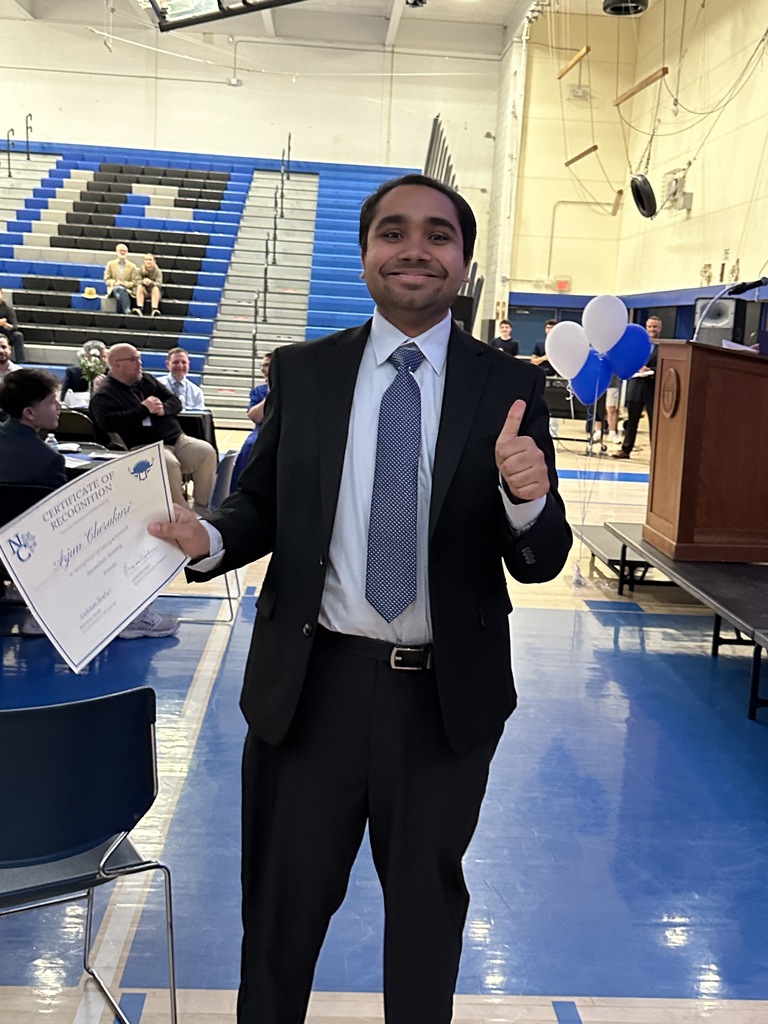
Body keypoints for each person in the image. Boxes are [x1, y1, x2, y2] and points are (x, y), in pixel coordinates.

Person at [148, 174, 572, 1024]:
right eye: (393, 232)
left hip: (444, 700)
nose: (415, 248)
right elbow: (259, 503)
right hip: (310, 690)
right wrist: (214, 538)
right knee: (280, 912)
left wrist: (526, 499)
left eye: (438, 235)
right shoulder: (305, 373)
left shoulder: (508, 387)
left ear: (465, 260)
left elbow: (541, 557)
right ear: (367, 251)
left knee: (425, 915)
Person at [0, 368, 180, 640]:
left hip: (8, 556)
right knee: (115, 528)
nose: (59, 405)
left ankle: (35, 607)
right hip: (35, 556)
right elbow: (61, 523)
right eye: (51, 401)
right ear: (29, 413)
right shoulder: (48, 461)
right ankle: (126, 615)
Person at [89, 343, 217, 509]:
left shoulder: (146, 380)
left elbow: (174, 401)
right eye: (133, 359)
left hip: (176, 439)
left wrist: (164, 409)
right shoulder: (105, 394)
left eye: (139, 358)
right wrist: (143, 409)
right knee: (168, 464)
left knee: (206, 452)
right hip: (144, 445)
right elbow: (107, 422)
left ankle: (202, 507)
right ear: (116, 364)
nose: (139, 363)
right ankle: (180, 512)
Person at [611, 314, 661, 460]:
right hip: (636, 386)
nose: (652, 329)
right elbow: (628, 361)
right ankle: (626, 450)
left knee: (654, 422)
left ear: (660, 328)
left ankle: (656, 454)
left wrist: (651, 371)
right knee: (631, 421)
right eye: (650, 326)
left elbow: (666, 365)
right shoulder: (638, 344)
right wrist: (637, 368)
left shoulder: (663, 346)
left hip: (652, 388)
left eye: (655, 327)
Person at [229, 351, 271, 492]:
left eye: (268, 365)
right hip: (261, 430)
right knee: (250, 446)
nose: (264, 369)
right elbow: (255, 416)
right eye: (263, 365)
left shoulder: (291, 389)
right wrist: (272, 393)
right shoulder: (259, 391)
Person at [104, 243, 140, 315]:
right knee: (118, 289)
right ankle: (127, 310)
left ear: (127, 252)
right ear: (117, 252)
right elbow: (107, 279)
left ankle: (120, 313)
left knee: (119, 294)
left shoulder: (132, 266)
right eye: (121, 251)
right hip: (114, 288)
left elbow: (134, 282)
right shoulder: (110, 264)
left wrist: (124, 284)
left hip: (127, 289)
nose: (122, 252)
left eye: (124, 251)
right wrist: (115, 283)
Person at [0, 288, 25, 362]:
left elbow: (14, 326)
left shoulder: (8, 308)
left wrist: (6, 325)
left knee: (18, 335)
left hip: (6, 333)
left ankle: (21, 361)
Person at [134, 252, 163, 316]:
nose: (148, 261)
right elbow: (136, 282)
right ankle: (139, 308)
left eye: (150, 260)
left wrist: (151, 283)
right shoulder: (140, 270)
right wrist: (143, 282)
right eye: (146, 260)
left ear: (154, 261)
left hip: (154, 292)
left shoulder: (158, 271)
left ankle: (154, 309)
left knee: (155, 288)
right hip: (144, 291)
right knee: (139, 287)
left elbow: (159, 284)